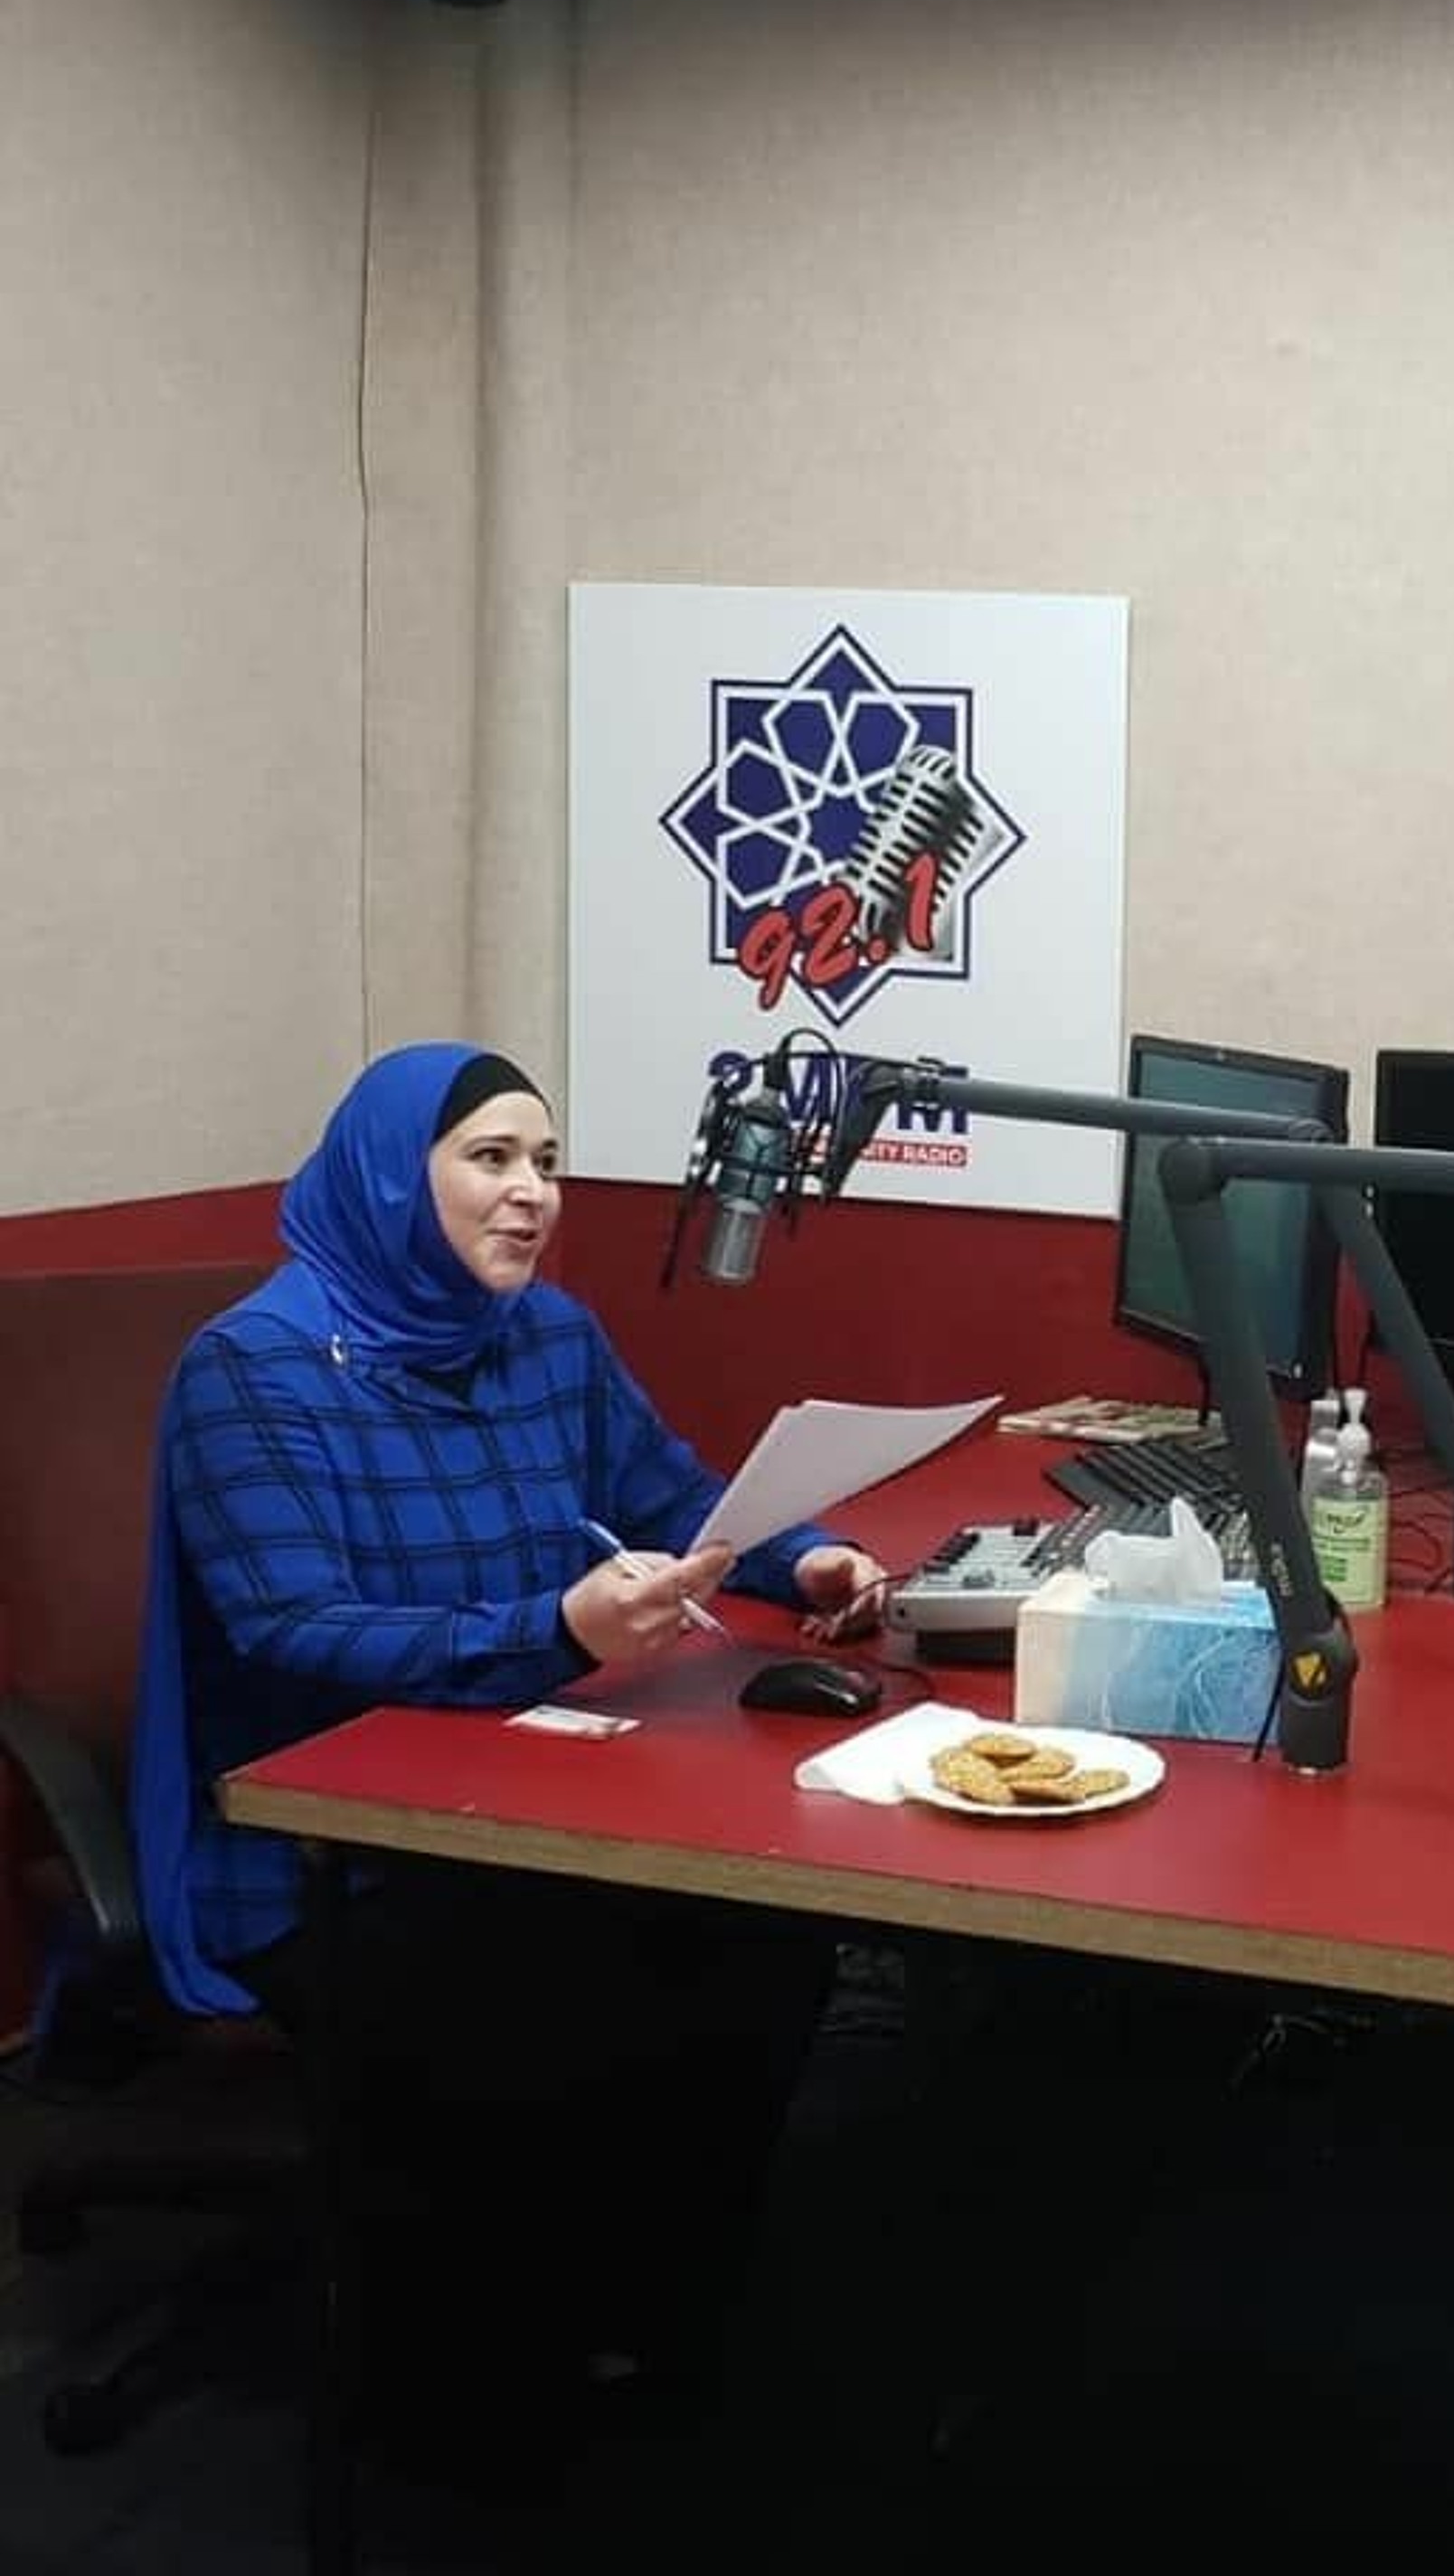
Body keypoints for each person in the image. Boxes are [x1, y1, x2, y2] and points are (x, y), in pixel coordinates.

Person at [126, 1041, 888, 2430]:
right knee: (535, 2016)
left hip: (522, 1799)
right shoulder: (252, 1369)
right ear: (389, 1178)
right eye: (490, 1159)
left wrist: (807, 1558)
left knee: (760, 1948)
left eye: (546, 1162)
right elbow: (291, 1628)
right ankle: (466, 2391)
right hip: (326, 1852)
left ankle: (653, 2321)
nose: (532, 1192)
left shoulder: (543, 1333)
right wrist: (557, 1627)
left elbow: (669, 1492)